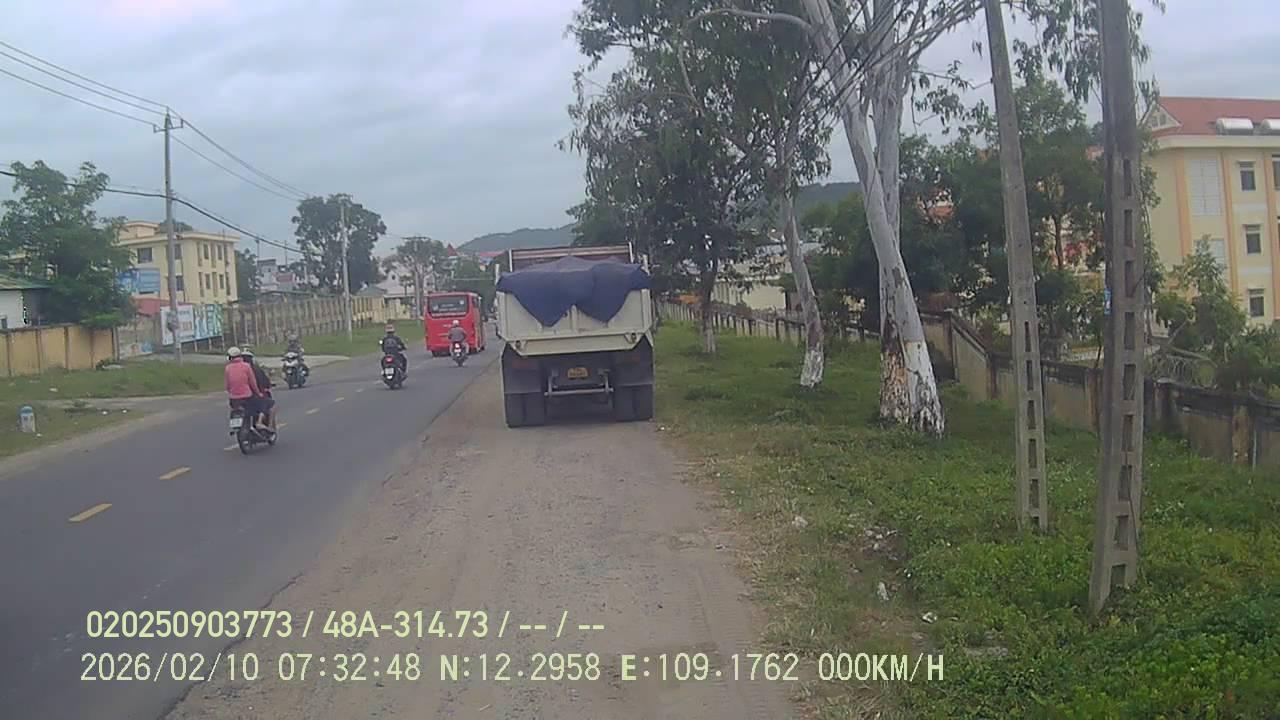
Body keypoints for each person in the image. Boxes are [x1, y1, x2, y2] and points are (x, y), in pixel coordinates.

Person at [224, 346, 263, 429]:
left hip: (234, 398)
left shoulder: (227, 368)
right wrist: (258, 393)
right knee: (257, 408)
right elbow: (252, 382)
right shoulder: (246, 366)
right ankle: (256, 425)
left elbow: (227, 385)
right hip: (246, 396)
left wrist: (231, 392)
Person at [241, 348, 277, 432]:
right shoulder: (254, 370)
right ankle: (266, 425)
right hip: (252, 396)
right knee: (270, 405)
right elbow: (264, 382)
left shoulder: (236, 369)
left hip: (238, 398)